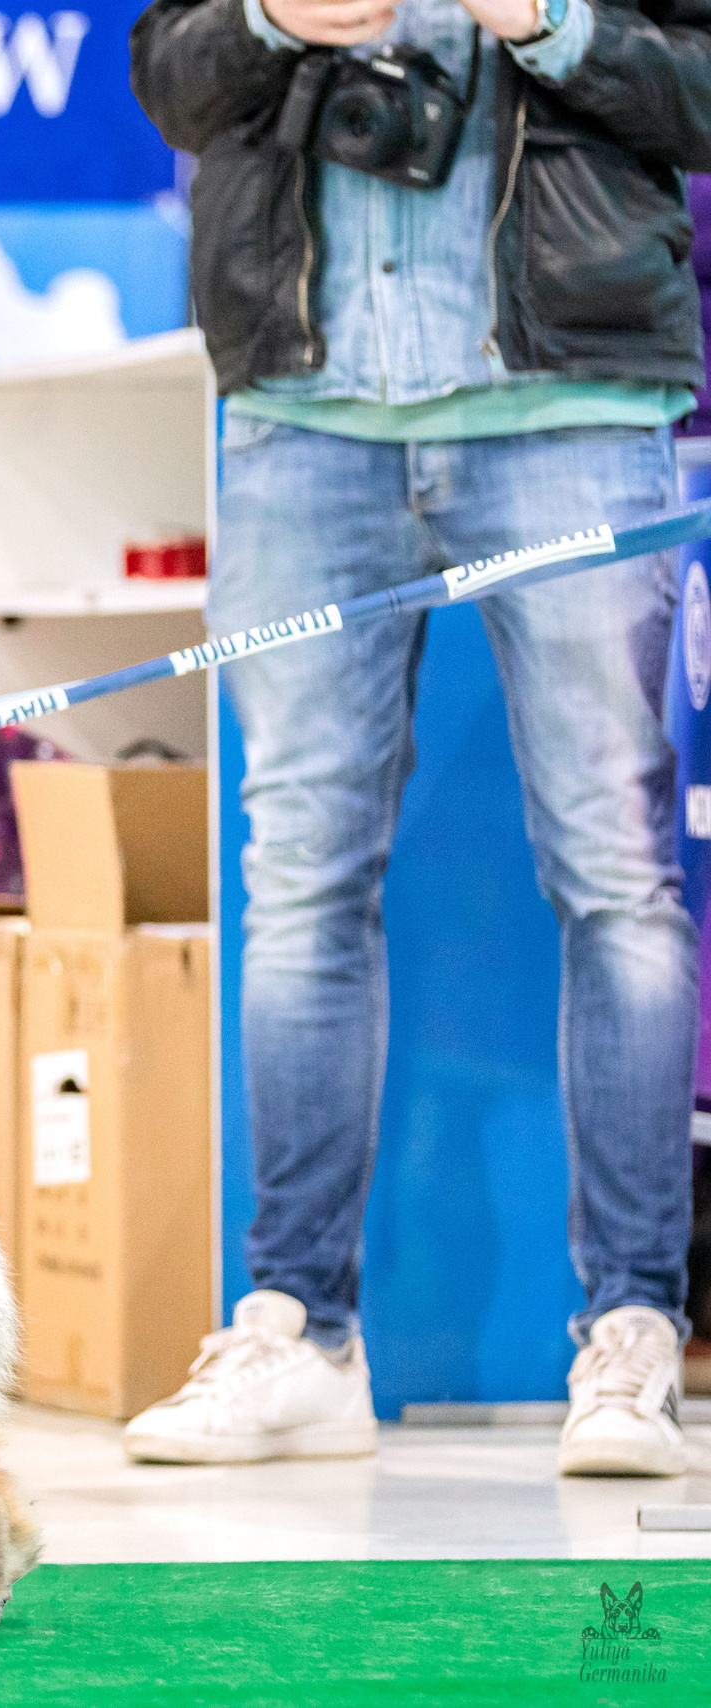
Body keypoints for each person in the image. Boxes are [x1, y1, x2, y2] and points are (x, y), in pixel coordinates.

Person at [123, 0, 708, 1476]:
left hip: (573, 404)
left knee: (617, 877)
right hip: (304, 416)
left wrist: (552, 23)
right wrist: (268, 19)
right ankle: (295, 1330)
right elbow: (170, 79)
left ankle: (633, 1333)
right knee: (303, 877)